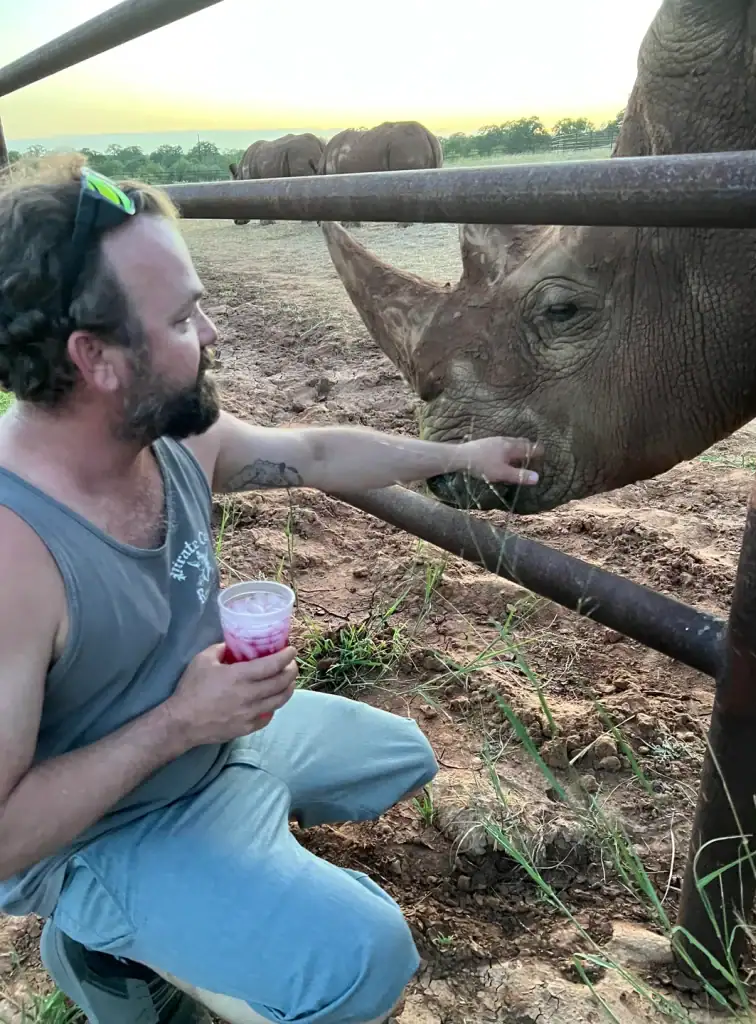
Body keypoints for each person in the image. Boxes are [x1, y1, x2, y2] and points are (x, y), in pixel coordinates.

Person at [0, 158, 543, 1024]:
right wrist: (179, 721)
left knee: (403, 756)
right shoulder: (13, 555)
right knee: (366, 958)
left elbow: (317, 453)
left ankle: (222, 879)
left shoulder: (174, 436)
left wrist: (456, 456)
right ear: (93, 357)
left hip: (211, 738)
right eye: (182, 317)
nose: (212, 332)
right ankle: (106, 942)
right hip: (105, 828)